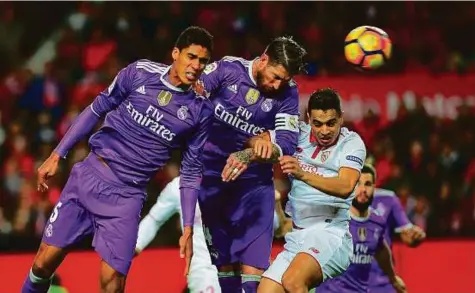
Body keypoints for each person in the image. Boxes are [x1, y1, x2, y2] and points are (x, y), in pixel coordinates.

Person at [22, 26, 214, 293]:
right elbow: (96, 108)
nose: (196, 65)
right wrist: (57, 154)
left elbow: (191, 171)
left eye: (203, 61)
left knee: (113, 283)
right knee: (43, 264)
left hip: (127, 196)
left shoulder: (200, 110)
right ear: (175, 53)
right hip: (90, 175)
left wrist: (189, 227)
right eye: (191, 57)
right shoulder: (139, 73)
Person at [196, 36, 307, 293]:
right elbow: (192, 101)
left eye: (284, 79)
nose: (277, 84)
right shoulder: (226, 71)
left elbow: (287, 143)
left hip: (254, 186)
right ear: (264, 59)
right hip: (212, 179)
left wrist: (252, 153)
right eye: (275, 76)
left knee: (254, 272)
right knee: (225, 269)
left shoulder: (288, 92)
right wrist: (249, 139)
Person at [258, 88, 367, 293]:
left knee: (293, 281)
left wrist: (302, 173)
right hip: (297, 237)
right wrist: (254, 149)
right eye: (317, 123)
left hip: (330, 234)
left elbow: (345, 186)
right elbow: (259, 139)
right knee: (266, 291)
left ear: (341, 118)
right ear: (308, 119)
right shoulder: (296, 134)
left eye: (330, 123)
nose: (324, 131)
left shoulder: (351, 143)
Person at [135, 177, 292, 293]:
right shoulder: (179, 187)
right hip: (202, 271)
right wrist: (135, 245)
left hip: (242, 270)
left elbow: (274, 225)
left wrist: (272, 203)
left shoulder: (241, 183)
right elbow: (154, 219)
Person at [315, 164, 406, 293]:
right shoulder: (335, 218)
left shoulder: (377, 221)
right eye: (358, 183)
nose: (363, 189)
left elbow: (381, 251)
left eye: (368, 184)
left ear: (374, 187)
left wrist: (393, 279)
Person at [369, 187, 426, 293]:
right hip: (345, 283)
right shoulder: (335, 199)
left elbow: (406, 233)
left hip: (381, 282)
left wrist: (414, 235)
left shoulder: (388, 198)